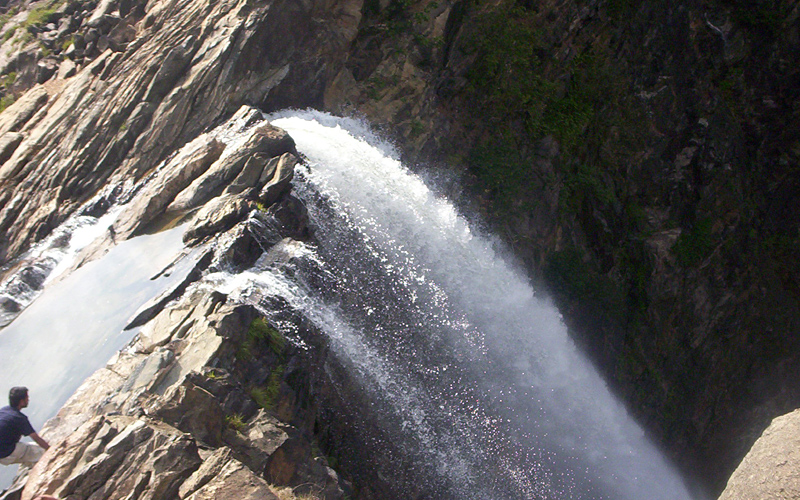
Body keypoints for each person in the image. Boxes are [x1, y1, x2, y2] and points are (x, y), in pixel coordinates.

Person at [0, 387, 49, 467]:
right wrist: (51, 450)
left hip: (2, 456)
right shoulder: (19, 418)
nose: (28, 400)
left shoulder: (3, 410)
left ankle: (31, 464)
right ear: (21, 401)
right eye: (27, 398)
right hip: (8, 451)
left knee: (28, 452)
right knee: (41, 452)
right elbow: (36, 438)